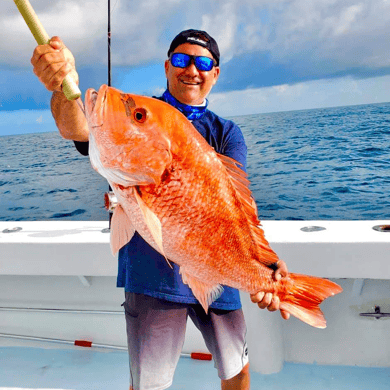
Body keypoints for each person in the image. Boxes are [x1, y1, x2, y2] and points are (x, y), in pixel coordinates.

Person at [31, 29, 290, 390]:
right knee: (149, 384)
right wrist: (62, 86)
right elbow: (76, 126)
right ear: (168, 66)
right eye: (182, 60)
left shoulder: (228, 132)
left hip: (215, 269)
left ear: (215, 74)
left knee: (237, 370)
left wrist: (268, 267)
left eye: (203, 63)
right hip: (152, 279)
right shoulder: (144, 114)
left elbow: (235, 208)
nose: (191, 70)